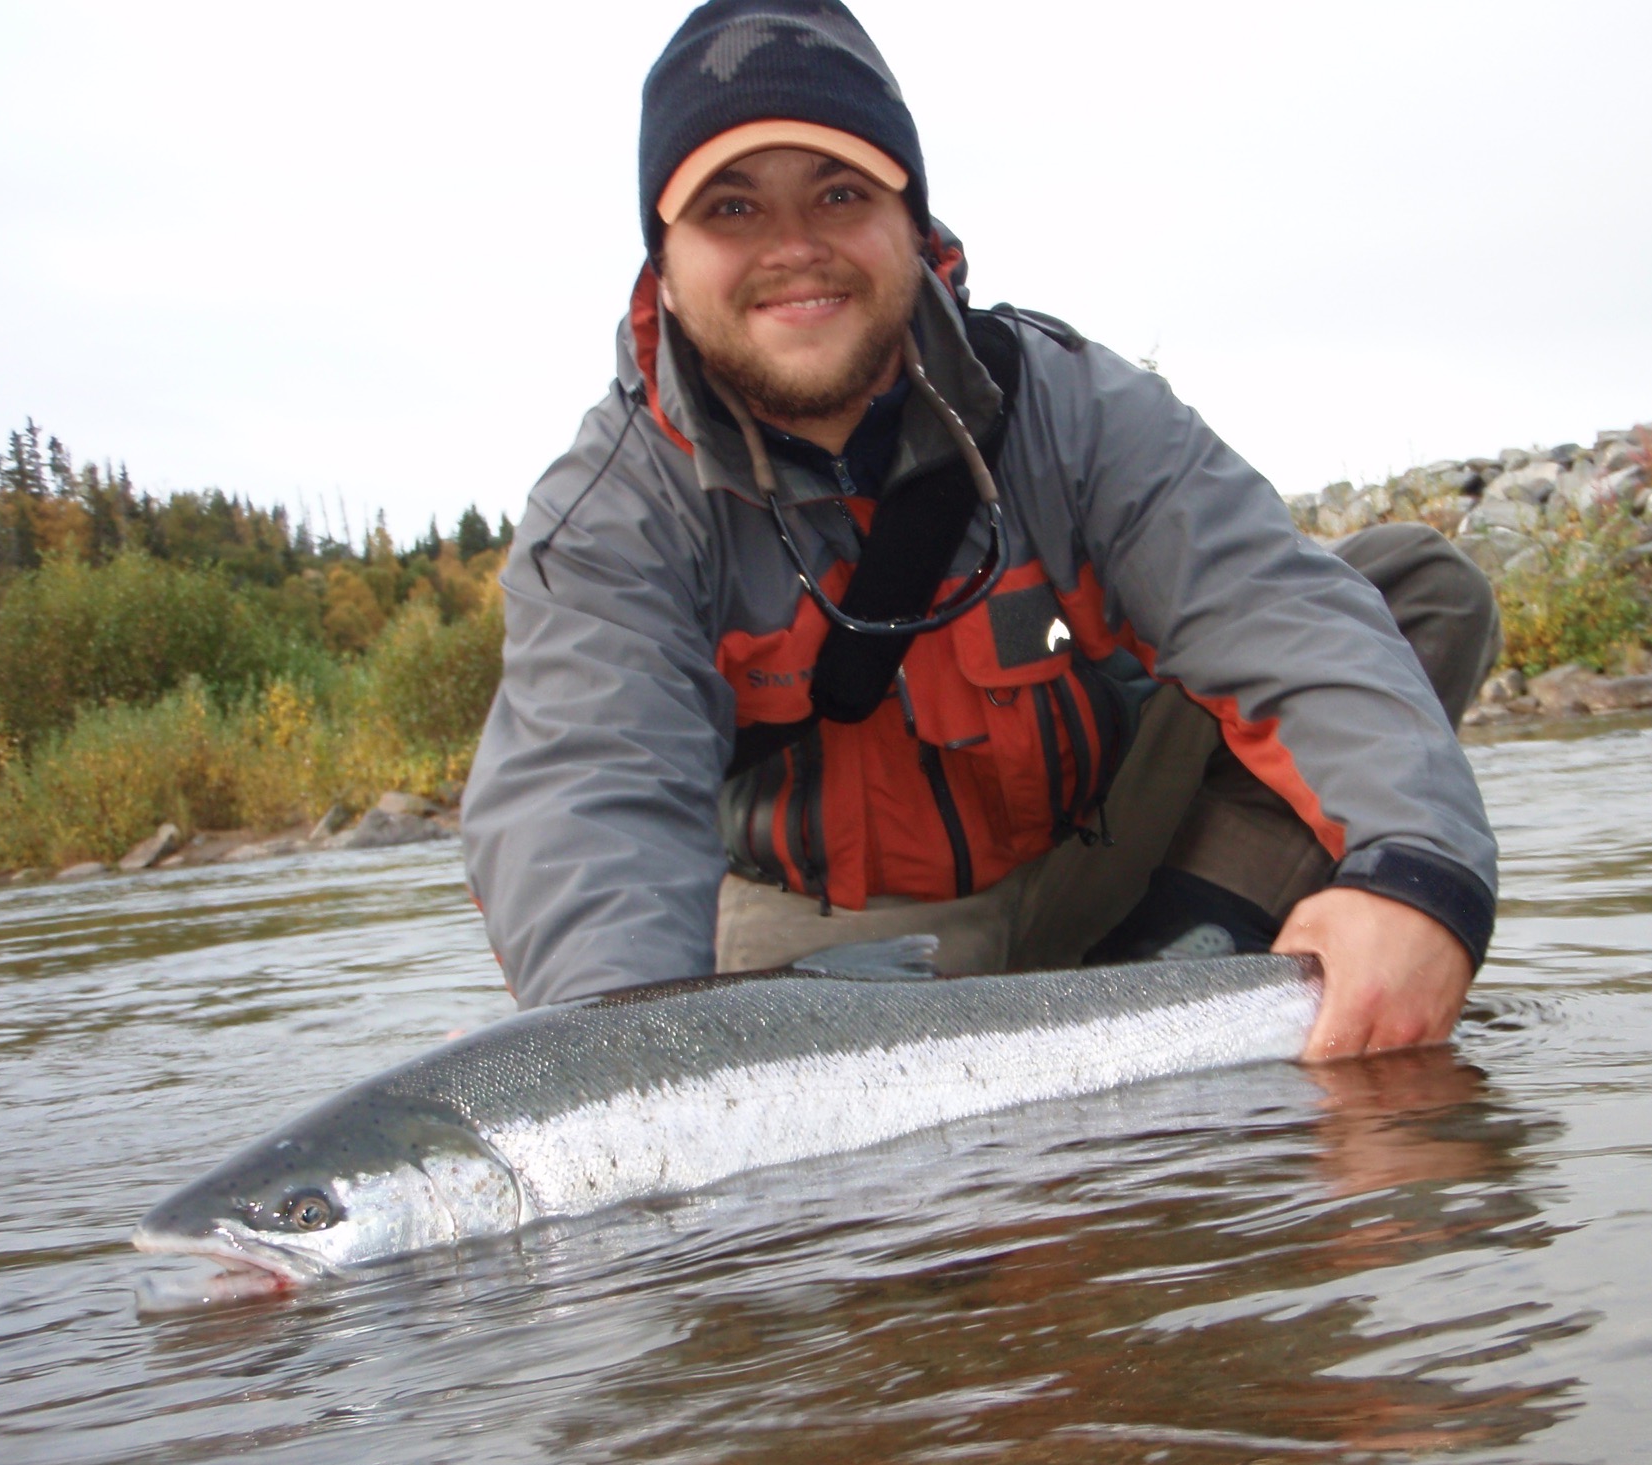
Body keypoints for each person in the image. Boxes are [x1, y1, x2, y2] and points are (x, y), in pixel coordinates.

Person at [462, 0, 1502, 1059]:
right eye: (730, 210)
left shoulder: (1073, 409)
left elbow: (1274, 619)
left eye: (839, 193)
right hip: (831, 945)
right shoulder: (608, 519)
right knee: (717, 1101)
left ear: (914, 231)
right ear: (665, 276)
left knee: (1413, 587)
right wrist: (617, 1074)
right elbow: (590, 808)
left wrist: (1419, 877)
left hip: (1100, 855)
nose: (794, 248)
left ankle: (1183, 971)